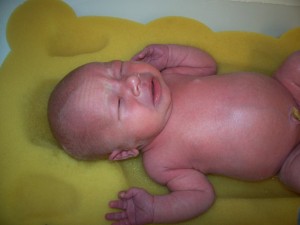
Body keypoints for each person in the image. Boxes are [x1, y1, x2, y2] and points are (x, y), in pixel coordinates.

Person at [48, 44, 300, 225]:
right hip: (288, 157)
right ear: (126, 151)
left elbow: (206, 64)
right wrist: (157, 210)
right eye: (119, 104)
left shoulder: (170, 77)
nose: (132, 82)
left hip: (287, 86)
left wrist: (169, 54)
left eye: (120, 70)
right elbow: (201, 196)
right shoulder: (161, 163)